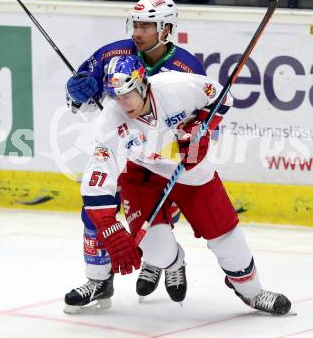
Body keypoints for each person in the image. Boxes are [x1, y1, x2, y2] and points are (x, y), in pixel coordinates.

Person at [65, 54, 291, 316]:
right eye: (115, 96)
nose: (122, 103)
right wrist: (108, 224)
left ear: (142, 85)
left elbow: (221, 96)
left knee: (228, 240)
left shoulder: (176, 86)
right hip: (143, 175)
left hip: (193, 173)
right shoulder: (110, 121)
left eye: (126, 94)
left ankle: (252, 292)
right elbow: (99, 174)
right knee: (156, 252)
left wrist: (201, 128)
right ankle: (174, 264)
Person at [64, 0, 207, 311]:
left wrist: (195, 137)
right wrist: (76, 93)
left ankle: (164, 261)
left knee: (155, 215)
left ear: (166, 29)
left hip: (158, 156)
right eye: (135, 24)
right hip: (118, 146)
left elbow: (203, 117)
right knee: (95, 211)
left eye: (146, 26)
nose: (137, 32)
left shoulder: (187, 68)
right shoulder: (112, 54)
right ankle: (98, 281)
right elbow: (78, 97)